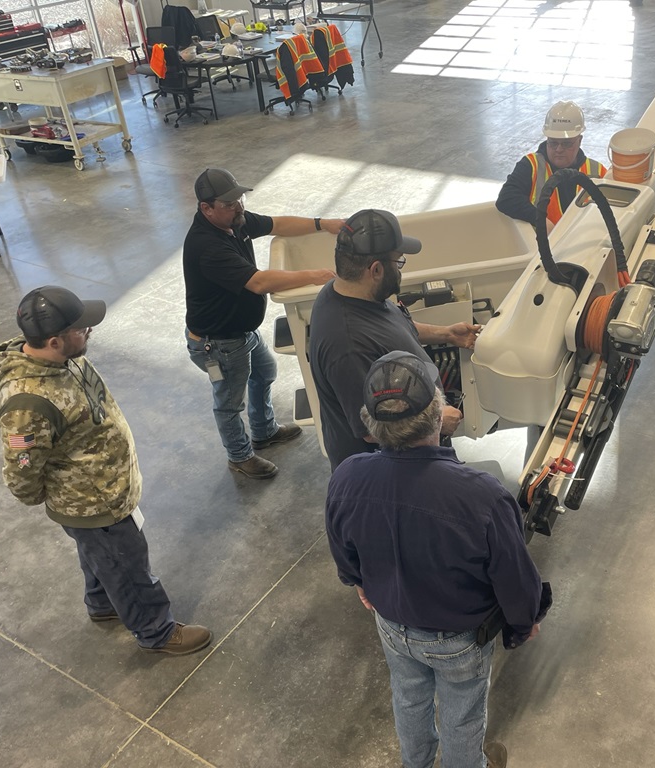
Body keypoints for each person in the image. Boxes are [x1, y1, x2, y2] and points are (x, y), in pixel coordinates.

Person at [326, 351, 550, 768]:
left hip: (391, 624)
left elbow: (343, 548)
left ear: (371, 423)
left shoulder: (347, 475)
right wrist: (523, 624)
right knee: (462, 715)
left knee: (408, 699)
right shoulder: (482, 495)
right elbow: (514, 577)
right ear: (439, 414)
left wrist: (359, 582)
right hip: (458, 638)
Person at [0, 286, 211, 655]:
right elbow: (22, 469)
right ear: (55, 341)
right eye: (81, 328)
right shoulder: (26, 403)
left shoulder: (61, 358)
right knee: (126, 564)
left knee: (101, 557)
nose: (89, 331)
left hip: (103, 492)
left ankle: (102, 603)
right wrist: (67, 498)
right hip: (92, 504)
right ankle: (156, 630)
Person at [184, 167, 341, 479]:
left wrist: (324, 224)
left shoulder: (235, 221)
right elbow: (258, 282)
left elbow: (277, 224)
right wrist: (315, 275)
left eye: (239, 199)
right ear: (207, 208)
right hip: (218, 342)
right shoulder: (206, 246)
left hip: (241, 333)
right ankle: (239, 457)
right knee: (229, 402)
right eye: (229, 204)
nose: (239, 207)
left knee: (264, 373)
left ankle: (264, 431)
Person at [308, 209, 481, 470]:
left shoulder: (351, 292)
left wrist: (446, 334)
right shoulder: (348, 347)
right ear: (376, 269)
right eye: (398, 262)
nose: (400, 270)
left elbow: (391, 327)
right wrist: (436, 420)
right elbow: (372, 430)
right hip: (393, 470)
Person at [496, 100, 607, 234]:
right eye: (553, 143)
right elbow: (506, 198)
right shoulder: (531, 165)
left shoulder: (597, 172)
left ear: (579, 140)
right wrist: (540, 220)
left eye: (566, 144)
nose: (559, 149)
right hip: (539, 249)